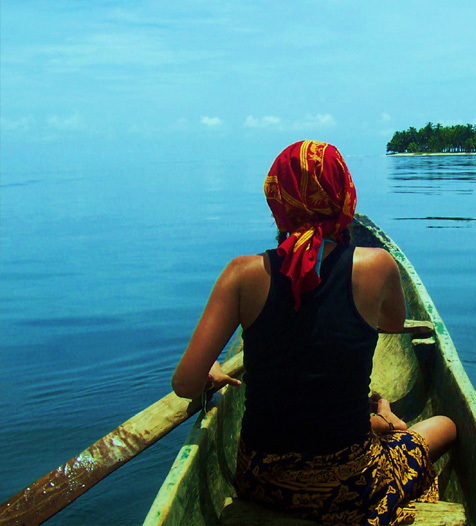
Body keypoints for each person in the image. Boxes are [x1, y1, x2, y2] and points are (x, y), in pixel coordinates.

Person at [172, 140, 457, 525]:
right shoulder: (378, 265)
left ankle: (382, 421)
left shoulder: (241, 273)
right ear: (345, 197)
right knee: (445, 426)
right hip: (350, 485)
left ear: (278, 200)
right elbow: (392, 324)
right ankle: (386, 421)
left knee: (368, 423)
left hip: (261, 480)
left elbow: (186, 384)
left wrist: (211, 375)